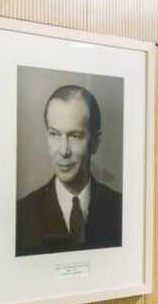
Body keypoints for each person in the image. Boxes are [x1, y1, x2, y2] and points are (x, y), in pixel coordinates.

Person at [15, 83, 123, 255]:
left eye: (74, 136)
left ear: (95, 142)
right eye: (55, 134)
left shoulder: (120, 208)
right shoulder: (21, 214)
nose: (63, 151)